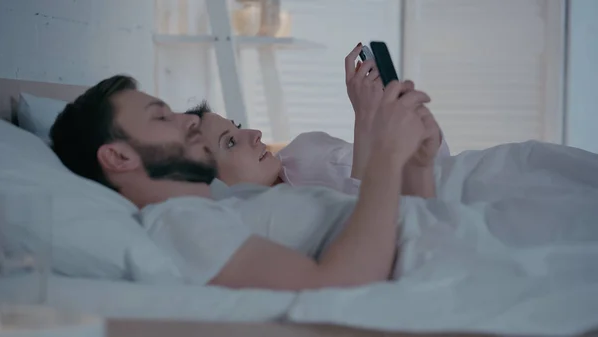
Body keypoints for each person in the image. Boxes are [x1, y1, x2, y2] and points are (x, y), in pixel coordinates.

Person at [49, 73, 438, 290]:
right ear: (118, 156)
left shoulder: (230, 205)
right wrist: (387, 157)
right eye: (161, 117)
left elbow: (413, 231)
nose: (187, 121)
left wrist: (419, 165)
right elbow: (338, 286)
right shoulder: (179, 222)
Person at [190, 43, 450, 198]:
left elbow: (438, 165)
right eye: (231, 142)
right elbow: (368, 228)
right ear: (213, 186)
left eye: (236, 127)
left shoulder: (306, 147)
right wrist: (367, 118)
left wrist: (409, 117)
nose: (255, 133)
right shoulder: (272, 225)